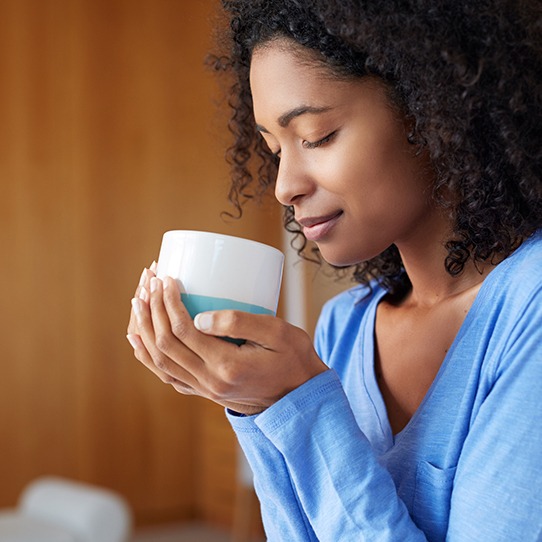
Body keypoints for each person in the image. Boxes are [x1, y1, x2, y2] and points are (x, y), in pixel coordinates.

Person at [126, 0, 542, 539]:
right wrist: (259, 404)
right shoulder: (344, 327)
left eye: (317, 136)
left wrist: (300, 406)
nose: (283, 186)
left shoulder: (528, 309)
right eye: (274, 150)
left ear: (434, 107)